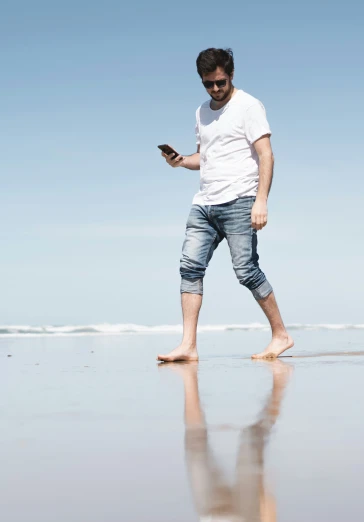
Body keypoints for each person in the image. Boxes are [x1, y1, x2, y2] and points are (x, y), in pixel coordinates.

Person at [157, 48, 293, 362]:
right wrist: (180, 162)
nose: (215, 89)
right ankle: (188, 346)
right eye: (208, 84)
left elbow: (266, 155)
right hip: (204, 204)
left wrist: (261, 201)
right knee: (189, 269)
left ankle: (281, 335)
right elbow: (203, 159)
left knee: (246, 271)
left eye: (220, 82)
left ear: (230, 75)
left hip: (240, 201)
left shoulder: (248, 105)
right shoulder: (201, 112)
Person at [165, 360, 291, 521]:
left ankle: (188, 378)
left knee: (196, 443)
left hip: (212, 515)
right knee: (251, 437)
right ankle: (279, 386)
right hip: (245, 517)